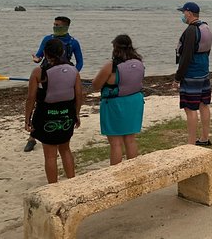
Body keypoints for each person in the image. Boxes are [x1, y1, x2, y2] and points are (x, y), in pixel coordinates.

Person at [25, 38, 82, 184]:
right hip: (67, 113)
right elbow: (79, 95)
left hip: (46, 115)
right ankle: (72, 182)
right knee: (65, 149)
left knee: (50, 155)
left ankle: (53, 187)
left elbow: (31, 98)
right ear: (63, 52)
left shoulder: (39, 72)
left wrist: (27, 119)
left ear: (45, 53)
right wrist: (76, 114)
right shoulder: (74, 70)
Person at [26, 16, 84, 153]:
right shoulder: (47, 39)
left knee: (59, 105)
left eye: (57, 25)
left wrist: (72, 74)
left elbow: (80, 62)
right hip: (46, 76)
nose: (55, 27)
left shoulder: (73, 43)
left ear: (65, 27)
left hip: (65, 72)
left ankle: (57, 132)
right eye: (54, 24)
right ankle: (32, 137)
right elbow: (40, 55)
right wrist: (36, 59)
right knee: (40, 101)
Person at [92, 34, 145, 165]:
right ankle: (132, 170)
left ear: (115, 48)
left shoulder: (111, 67)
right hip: (134, 102)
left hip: (115, 104)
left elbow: (95, 85)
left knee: (115, 143)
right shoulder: (139, 63)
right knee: (130, 140)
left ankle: (116, 174)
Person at [173, 2, 212, 146]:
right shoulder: (205, 26)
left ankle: (191, 143)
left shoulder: (191, 30)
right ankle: (204, 138)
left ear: (189, 13)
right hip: (203, 70)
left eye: (183, 12)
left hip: (191, 73)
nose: (182, 15)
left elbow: (186, 56)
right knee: (204, 104)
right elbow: (207, 49)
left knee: (190, 108)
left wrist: (178, 77)